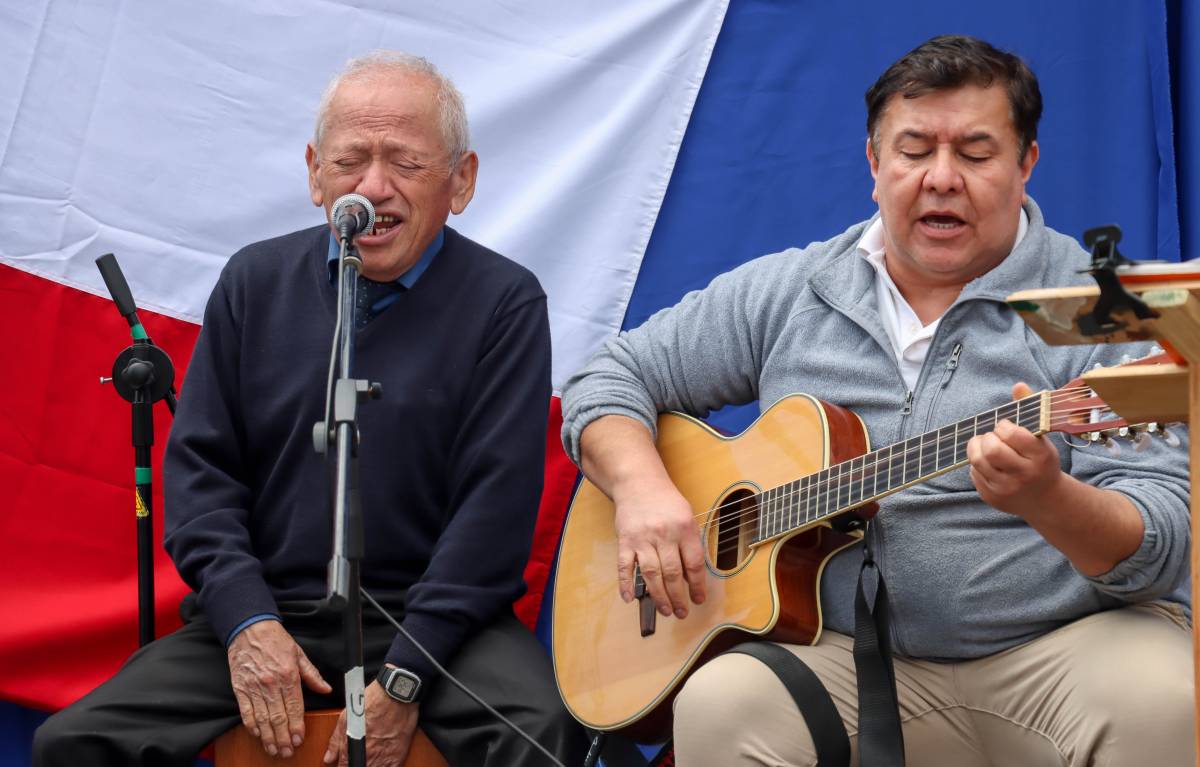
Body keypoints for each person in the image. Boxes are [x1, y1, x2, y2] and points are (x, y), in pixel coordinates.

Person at [561, 35, 1192, 765]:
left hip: (1059, 654)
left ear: (1026, 165)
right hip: (844, 661)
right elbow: (609, 376)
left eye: (976, 154)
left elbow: (1161, 540)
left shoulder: (1110, 311)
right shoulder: (793, 289)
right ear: (873, 163)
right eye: (914, 150)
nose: (941, 178)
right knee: (721, 703)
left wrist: (1049, 499)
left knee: (1167, 698)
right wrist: (642, 491)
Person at [34, 52, 587, 767]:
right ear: (314, 173)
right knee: (75, 743)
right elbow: (202, 480)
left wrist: (408, 673)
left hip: (436, 623)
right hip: (270, 608)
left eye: (406, 163)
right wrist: (247, 621)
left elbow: (495, 512)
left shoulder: (504, 302)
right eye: (350, 161)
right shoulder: (254, 281)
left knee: (544, 737)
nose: (373, 187)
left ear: (462, 180)